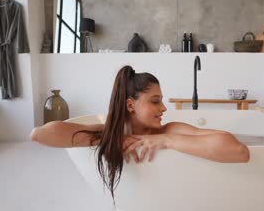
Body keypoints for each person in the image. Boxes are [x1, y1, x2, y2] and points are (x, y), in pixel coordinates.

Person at [30, 65, 250, 198]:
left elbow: (238, 150)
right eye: (155, 101)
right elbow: (39, 134)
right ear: (130, 105)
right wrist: (117, 138)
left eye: (161, 101)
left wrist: (167, 141)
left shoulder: (170, 130)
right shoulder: (110, 135)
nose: (164, 108)